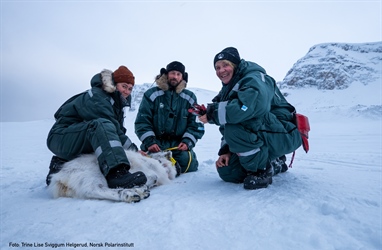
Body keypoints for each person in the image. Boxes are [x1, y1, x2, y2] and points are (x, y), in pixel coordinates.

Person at [198, 47, 302, 190]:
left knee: (237, 124)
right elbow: (227, 122)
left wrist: (212, 114)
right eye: (217, 67)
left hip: (284, 133)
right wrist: (226, 151)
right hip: (265, 132)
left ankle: (261, 172)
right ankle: (274, 164)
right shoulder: (229, 89)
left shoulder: (254, 78)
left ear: (235, 65)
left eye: (225, 65)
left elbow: (248, 108)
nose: (221, 71)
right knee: (228, 172)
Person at [46, 66, 147, 189]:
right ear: (114, 84)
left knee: (103, 138)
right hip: (60, 137)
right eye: (124, 86)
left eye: (130, 88)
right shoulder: (98, 96)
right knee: (102, 126)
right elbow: (112, 129)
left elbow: (118, 132)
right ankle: (116, 174)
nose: (127, 91)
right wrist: (135, 151)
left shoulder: (115, 102)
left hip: (74, 137)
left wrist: (132, 150)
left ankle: (59, 166)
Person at [134, 61, 205, 174]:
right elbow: (142, 121)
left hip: (178, 145)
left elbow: (196, 123)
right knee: (148, 166)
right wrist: (150, 142)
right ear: (166, 74)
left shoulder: (190, 97)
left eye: (178, 74)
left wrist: (187, 141)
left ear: (182, 77)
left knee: (189, 165)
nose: (175, 77)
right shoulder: (151, 94)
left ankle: (169, 170)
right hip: (156, 145)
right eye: (172, 73)